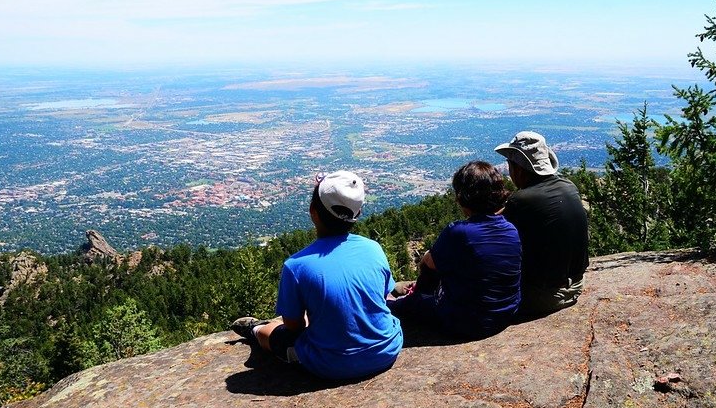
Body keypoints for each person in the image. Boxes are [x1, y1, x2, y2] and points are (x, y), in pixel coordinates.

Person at [231, 170, 403, 380]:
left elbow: (295, 327)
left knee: (275, 335)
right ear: (356, 215)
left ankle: (255, 329)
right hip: (387, 349)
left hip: (330, 363)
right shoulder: (373, 248)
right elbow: (382, 297)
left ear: (313, 211)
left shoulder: (296, 266)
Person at [387, 161, 522, 339]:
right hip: (506, 313)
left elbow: (428, 263)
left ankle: (395, 300)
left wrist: (421, 291)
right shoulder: (510, 229)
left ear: (461, 198)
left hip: (468, 323)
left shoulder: (459, 232)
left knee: (401, 304)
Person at [494, 131, 589, 317]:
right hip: (576, 286)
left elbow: (489, 229)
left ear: (519, 169)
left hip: (542, 297)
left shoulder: (522, 200)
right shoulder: (569, 186)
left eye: (509, 165)